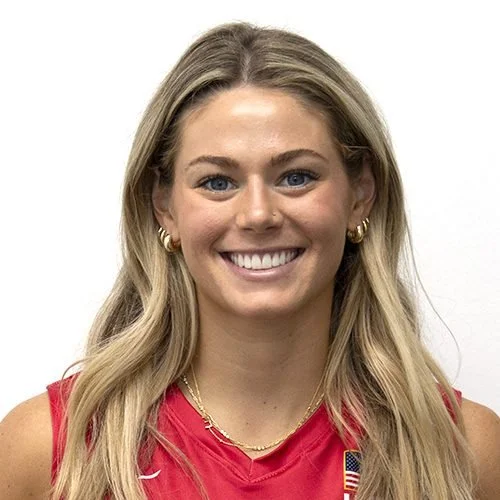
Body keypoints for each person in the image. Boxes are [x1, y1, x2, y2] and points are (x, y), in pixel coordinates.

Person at [0, 22, 498, 500]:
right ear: (164, 208)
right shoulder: (49, 448)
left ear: (360, 195)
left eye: (297, 177)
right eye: (217, 182)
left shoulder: (465, 450)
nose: (258, 214)